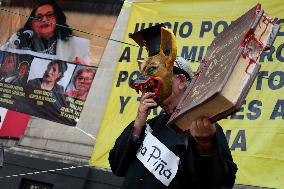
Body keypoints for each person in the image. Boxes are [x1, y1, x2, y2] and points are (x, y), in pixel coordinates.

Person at [109, 56, 237, 189]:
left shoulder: (204, 128)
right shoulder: (149, 124)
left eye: (158, 79)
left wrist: (205, 146)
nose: (151, 88)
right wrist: (138, 124)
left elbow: (218, 184)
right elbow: (117, 167)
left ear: (181, 80)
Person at [1, 0, 89, 64]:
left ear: (58, 19)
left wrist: (79, 67)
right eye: (38, 17)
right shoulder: (18, 39)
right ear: (32, 23)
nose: (44, 20)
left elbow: (85, 73)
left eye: (49, 15)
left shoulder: (77, 45)